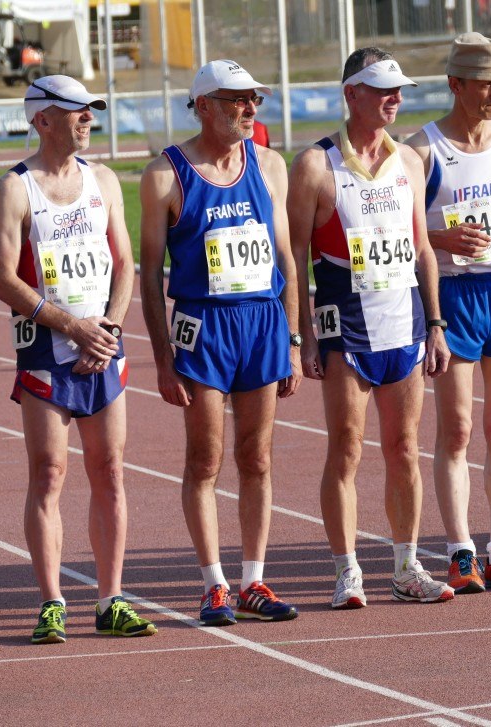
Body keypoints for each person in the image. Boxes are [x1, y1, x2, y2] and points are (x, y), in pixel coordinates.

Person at [287, 48, 454, 608]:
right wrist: (302, 336)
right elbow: (294, 256)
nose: (396, 100)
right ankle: (346, 569)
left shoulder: (409, 161)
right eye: (383, 89)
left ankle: (407, 566)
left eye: (399, 90)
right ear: (351, 93)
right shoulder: (316, 165)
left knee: (405, 447)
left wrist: (436, 323)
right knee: (347, 450)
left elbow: (423, 248)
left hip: (405, 324)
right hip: (346, 330)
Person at [139, 60, 302, 626]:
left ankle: (254, 579)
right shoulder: (166, 173)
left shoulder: (271, 166)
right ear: (203, 105)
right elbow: (148, 275)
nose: (249, 108)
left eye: (253, 98)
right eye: (235, 99)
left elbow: (286, 258)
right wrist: (163, 357)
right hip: (204, 329)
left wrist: (295, 339)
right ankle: (214, 585)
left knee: (256, 457)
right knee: (205, 458)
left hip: (261, 324)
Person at [0, 75, 155, 643]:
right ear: (42, 119)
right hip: (47, 349)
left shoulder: (104, 180)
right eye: (77, 112)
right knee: (48, 474)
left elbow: (126, 265)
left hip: (103, 349)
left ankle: (111, 599)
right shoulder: (16, 188)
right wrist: (71, 327)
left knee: (110, 471)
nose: (89, 119)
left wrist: (108, 327)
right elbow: (2, 277)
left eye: (91, 111)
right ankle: (51, 602)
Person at [405, 33, 491, 594]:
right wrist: (443, 237)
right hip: (456, 296)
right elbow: (408, 232)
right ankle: (460, 550)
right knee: (459, 428)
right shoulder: (421, 150)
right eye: (484, 83)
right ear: (455, 85)